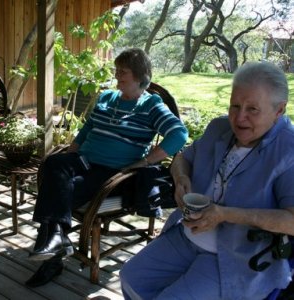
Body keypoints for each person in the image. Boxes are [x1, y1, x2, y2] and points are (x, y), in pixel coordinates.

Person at [120, 61, 294, 299]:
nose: (239, 117)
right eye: (235, 105)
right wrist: (181, 177)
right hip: (187, 235)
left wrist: (224, 214)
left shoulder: (288, 150)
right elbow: (183, 157)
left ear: (279, 110)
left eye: (252, 109)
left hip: (237, 257)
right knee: (131, 278)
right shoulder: (219, 128)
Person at [25, 48, 188, 287]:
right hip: (83, 163)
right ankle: (55, 242)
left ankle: (52, 254)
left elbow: (178, 134)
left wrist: (145, 161)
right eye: (117, 69)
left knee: (58, 189)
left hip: (114, 174)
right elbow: (86, 130)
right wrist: (70, 155)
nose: (117, 74)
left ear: (141, 76)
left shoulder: (151, 106)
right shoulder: (107, 98)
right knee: (54, 164)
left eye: (123, 71)